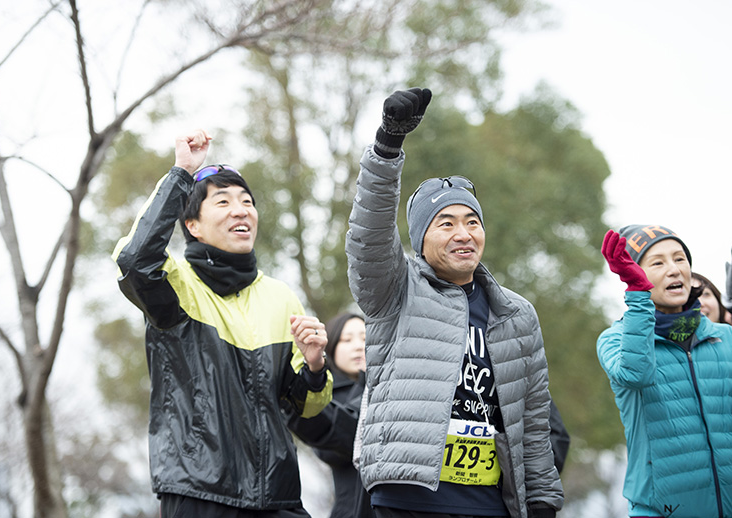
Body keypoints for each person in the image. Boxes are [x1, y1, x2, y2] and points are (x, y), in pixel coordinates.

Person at [346, 87, 563, 518]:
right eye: (445, 223)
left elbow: (534, 423)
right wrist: (387, 147)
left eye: (472, 221)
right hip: (409, 499)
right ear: (420, 241)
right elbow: (369, 236)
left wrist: (542, 500)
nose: (463, 233)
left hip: (491, 504)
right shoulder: (395, 289)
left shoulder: (517, 314)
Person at [111, 129, 333, 517]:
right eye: (224, 202)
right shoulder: (177, 284)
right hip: (198, 492)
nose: (241, 210)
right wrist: (181, 173)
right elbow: (134, 260)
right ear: (192, 224)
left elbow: (307, 408)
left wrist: (315, 366)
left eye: (247, 202)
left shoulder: (281, 296)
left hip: (278, 495)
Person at [598, 225, 732, 518]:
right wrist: (639, 295)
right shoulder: (614, 339)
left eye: (679, 258)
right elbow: (636, 374)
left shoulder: (727, 337)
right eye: (657, 262)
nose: (673, 269)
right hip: (659, 511)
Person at [283, 312, 374, 518]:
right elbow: (331, 447)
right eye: (347, 340)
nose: (359, 346)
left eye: (366, 338)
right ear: (331, 347)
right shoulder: (326, 397)